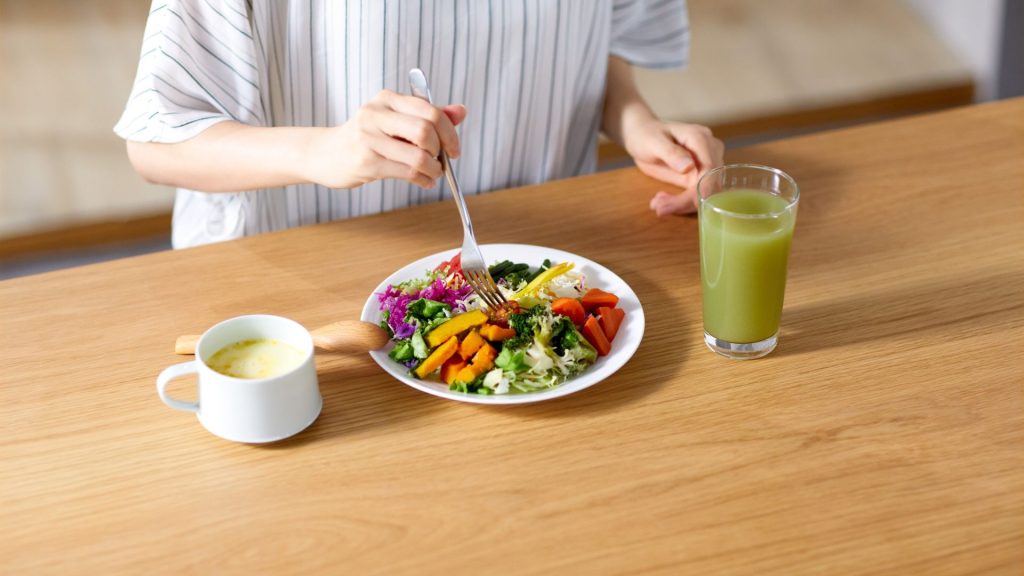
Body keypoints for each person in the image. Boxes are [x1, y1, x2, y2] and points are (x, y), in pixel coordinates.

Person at [116, 0, 724, 249]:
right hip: (314, 282)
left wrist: (634, 120)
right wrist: (321, 152)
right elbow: (156, 140)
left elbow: (597, 33)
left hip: (548, 259)